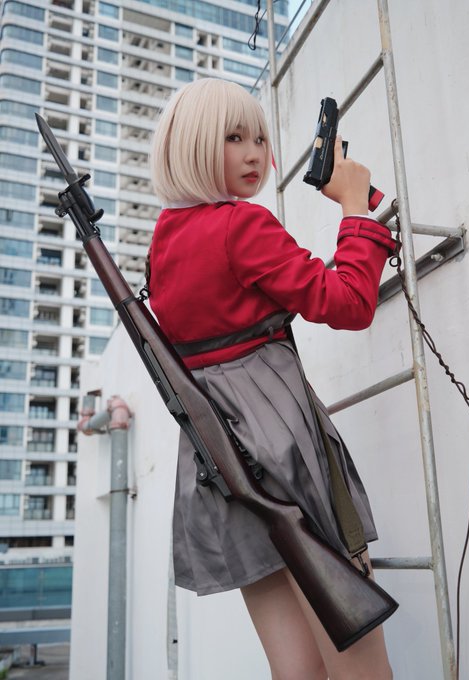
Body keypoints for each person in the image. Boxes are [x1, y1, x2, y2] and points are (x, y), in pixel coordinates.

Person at [147, 78, 396, 680]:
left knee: (296, 670)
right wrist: (355, 208)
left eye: (259, 138)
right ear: (192, 144)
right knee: (362, 667)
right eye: (233, 138)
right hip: (286, 451)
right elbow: (348, 302)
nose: (254, 153)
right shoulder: (241, 225)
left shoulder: (163, 243)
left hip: (218, 463)